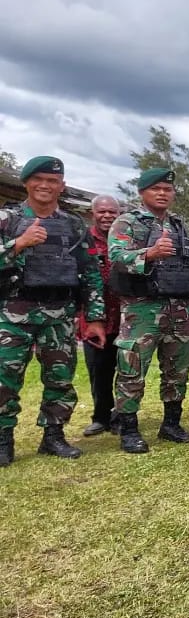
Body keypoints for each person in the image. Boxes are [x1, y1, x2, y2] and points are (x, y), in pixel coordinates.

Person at [0, 156, 106, 464]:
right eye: (39, 179)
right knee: (4, 377)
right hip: (13, 312)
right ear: (26, 183)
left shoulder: (74, 225)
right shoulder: (7, 220)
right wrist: (18, 244)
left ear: (61, 186)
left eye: (53, 181)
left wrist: (95, 318)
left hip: (60, 314)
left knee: (60, 378)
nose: (45, 185)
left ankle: (54, 435)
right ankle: (4, 440)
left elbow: (90, 272)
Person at [109, 168, 189, 453]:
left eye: (167, 189)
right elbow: (116, 258)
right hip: (142, 309)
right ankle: (129, 429)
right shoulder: (127, 223)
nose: (163, 193)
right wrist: (149, 253)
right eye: (156, 188)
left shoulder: (178, 225)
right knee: (132, 369)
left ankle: (171, 423)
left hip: (180, 308)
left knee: (178, 370)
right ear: (142, 192)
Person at [79, 194, 122, 437]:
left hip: (124, 316)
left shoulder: (127, 240)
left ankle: (120, 415)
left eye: (112, 212)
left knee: (125, 369)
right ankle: (101, 416)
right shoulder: (84, 240)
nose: (107, 216)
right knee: (98, 369)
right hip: (94, 319)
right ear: (93, 214)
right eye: (102, 212)